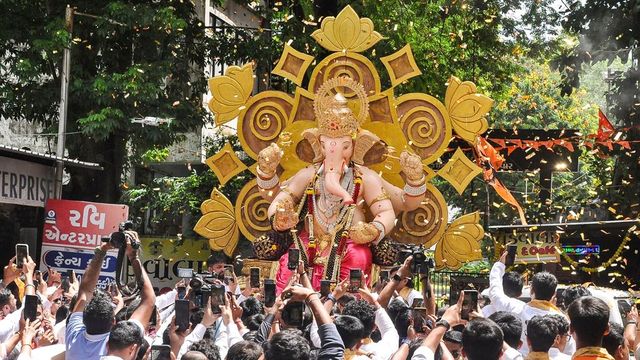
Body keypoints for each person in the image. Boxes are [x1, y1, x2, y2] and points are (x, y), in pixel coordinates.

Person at [66, 231, 156, 359]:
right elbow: (149, 300)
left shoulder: (73, 336)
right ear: (114, 321)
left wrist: (102, 251)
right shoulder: (120, 345)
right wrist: (133, 257)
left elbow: (85, 290)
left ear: (82, 319)